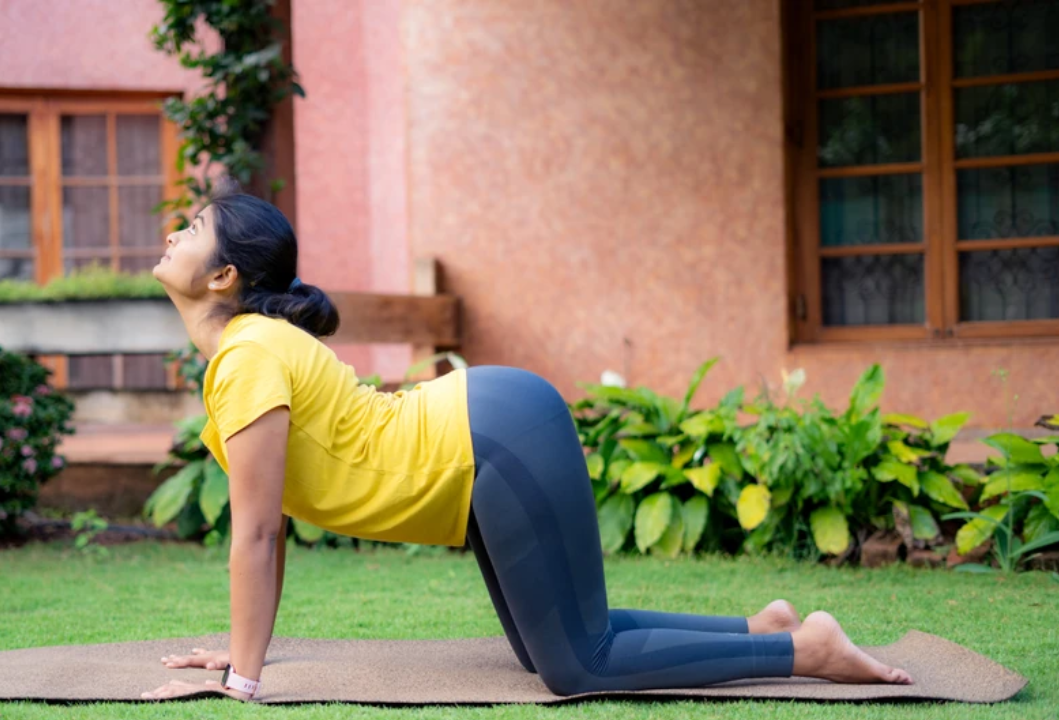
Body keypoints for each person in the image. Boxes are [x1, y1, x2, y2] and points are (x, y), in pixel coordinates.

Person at [140, 182, 913, 702]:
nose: (175, 231)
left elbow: (260, 531)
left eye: (195, 228)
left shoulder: (246, 354)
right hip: (484, 435)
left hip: (488, 438)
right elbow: (265, 531)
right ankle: (766, 627)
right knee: (562, 645)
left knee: (578, 665)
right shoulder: (252, 347)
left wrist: (241, 682)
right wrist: (245, 660)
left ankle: (805, 651)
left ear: (224, 276)